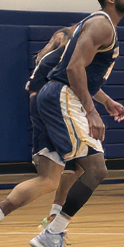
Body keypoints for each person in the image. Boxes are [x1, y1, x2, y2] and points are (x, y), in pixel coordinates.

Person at [0, 0, 124, 247]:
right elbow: (73, 69)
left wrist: (104, 102)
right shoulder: (102, 24)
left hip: (52, 97)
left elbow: (81, 68)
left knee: (50, 178)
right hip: (62, 96)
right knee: (96, 168)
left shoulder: (93, 25)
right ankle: (53, 232)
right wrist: (93, 112)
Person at [27, 27, 83, 227]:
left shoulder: (48, 55)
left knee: (81, 164)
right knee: (51, 178)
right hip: (51, 106)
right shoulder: (65, 47)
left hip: (44, 104)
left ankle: (54, 216)